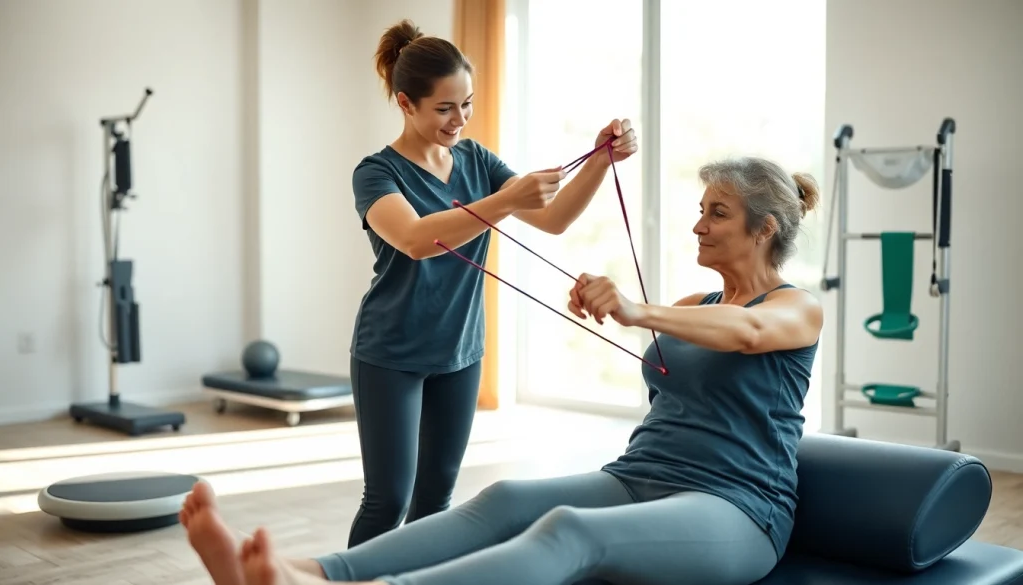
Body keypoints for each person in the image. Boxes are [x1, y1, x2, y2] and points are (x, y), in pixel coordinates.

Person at [180, 155, 825, 585]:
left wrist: (634, 309)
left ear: (764, 229)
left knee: (569, 533)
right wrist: (615, 304)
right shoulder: (693, 306)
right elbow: (699, 340)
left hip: (738, 508)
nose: (697, 225)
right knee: (508, 498)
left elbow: (749, 334)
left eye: (717, 213)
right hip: (640, 475)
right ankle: (313, 573)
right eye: (702, 209)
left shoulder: (797, 309)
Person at [343, 19, 638, 547]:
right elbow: (414, 238)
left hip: (460, 350)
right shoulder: (375, 173)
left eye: (467, 104)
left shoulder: (475, 160)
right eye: (445, 108)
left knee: (436, 498)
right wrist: (505, 200)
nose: (460, 120)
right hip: (390, 352)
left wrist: (600, 160)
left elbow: (553, 218)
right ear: (406, 103)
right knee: (387, 498)